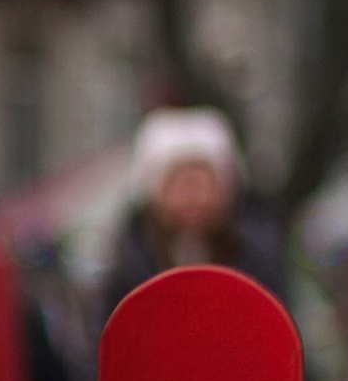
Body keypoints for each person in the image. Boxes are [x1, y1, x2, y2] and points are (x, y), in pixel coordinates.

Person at [97, 106, 288, 329]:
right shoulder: (126, 267)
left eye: (202, 183)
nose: (193, 198)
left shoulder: (259, 261)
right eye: (180, 184)